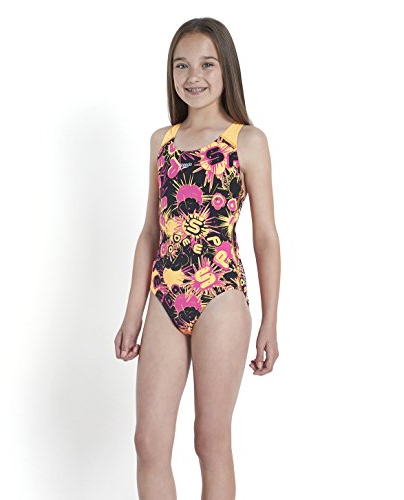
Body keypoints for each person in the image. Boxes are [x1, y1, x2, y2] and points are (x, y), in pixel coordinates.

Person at [114, 17, 280, 500]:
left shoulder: (247, 141)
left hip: (220, 296)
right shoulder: (162, 142)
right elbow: (151, 232)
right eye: (181, 65)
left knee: (209, 440)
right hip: (165, 297)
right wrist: (132, 315)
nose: (193, 76)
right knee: (148, 443)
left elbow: (265, 236)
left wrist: (270, 321)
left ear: (226, 68)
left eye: (207, 64)